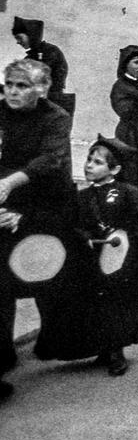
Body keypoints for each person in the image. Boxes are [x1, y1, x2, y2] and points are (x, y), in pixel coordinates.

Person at [36, 136, 138, 376]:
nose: (89, 165)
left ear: (115, 169)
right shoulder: (81, 197)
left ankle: (116, 351)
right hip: (92, 260)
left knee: (118, 304)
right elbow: (73, 225)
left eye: (97, 162)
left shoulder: (127, 191)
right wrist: (83, 237)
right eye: (89, 160)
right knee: (96, 304)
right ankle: (102, 347)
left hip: (121, 258)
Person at [0, 59, 73, 403]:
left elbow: (51, 160)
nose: (12, 92)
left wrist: (10, 183)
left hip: (45, 203)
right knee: (1, 278)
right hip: (4, 207)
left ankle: (54, 340)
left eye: (22, 86)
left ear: (41, 88)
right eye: (9, 84)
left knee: (47, 273)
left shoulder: (55, 117)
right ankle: (2, 352)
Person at [11, 17, 70, 114]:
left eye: (19, 38)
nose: (18, 42)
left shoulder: (50, 51)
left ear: (30, 35)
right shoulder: (30, 57)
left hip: (50, 105)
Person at [110, 44, 138, 190]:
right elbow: (125, 111)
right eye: (136, 62)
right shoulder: (120, 86)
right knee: (129, 174)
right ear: (126, 64)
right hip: (128, 135)